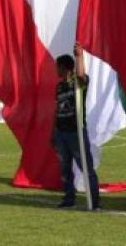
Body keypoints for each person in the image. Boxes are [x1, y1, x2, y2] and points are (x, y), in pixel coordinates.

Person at [53, 43, 100, 210]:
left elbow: (81, 76)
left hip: (76, 132)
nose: (55, 70)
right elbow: (57, 110)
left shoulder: (78, 84)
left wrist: (79, 56)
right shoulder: (59, 87)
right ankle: (68, 199)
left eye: (57, 67)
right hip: (61, 133)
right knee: (65, 169)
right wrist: (54, 132)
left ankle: (94, 202)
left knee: (85, 167)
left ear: (65, 68)